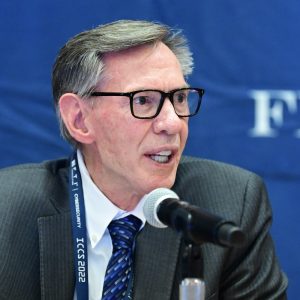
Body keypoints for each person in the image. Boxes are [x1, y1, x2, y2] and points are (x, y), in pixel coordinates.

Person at [0, 20, 287, 300]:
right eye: (143, 101)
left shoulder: (231, 202)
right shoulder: (7, 210)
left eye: (179, 98)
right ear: (79, 119)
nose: (173, 123)